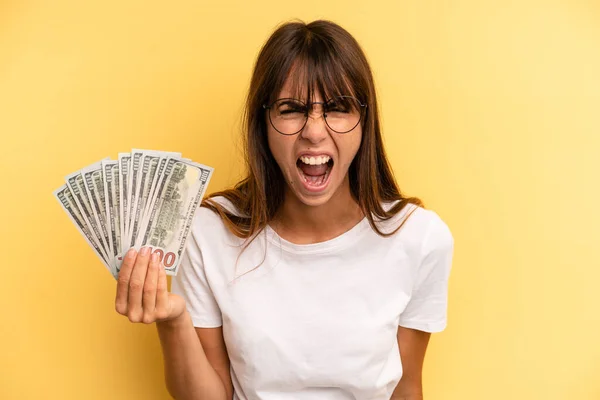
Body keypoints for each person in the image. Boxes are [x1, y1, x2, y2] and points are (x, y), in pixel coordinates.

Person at [115, 19, 454, 400]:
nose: (313, 130)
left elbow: (406, 390)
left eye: (338, 108)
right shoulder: (209, 232)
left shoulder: (420, 238)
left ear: (364, 122)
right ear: (264, 122)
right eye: (291, 109)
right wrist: (174, 321)